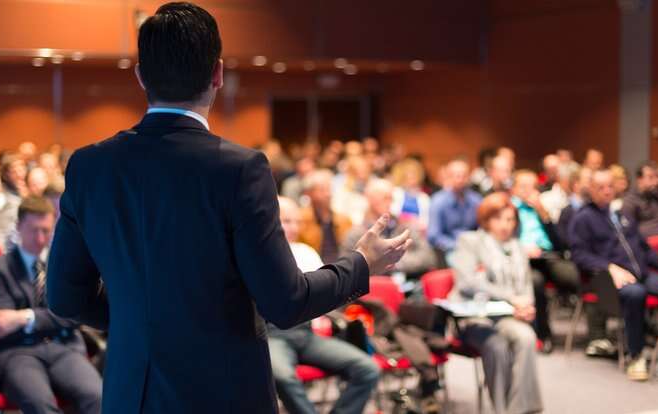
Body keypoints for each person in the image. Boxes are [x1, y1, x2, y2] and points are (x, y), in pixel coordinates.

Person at [46, 4, 411, 413]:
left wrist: (143, 322)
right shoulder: (239, 169)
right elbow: (286, 302)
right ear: (218, 73)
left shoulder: (90, 166)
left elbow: (64, 298)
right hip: (224, 394)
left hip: (132, 395)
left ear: (141, 76)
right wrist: (361, 263)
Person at [0, 197, 102, 414]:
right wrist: (53, 318)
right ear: (19, 226)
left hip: (63, 347)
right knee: (40, 406)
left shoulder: (65, 264)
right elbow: (2, 326)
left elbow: (73, 316)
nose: (40, 239)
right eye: (33, 230)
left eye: (46, 231)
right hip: (19, 352)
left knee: (97, 397)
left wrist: (24, 317)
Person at [270, 197, 380, 414]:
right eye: (286, 220)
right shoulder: (262, 256)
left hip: (306, 333)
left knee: (368, 369)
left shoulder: (305, 251)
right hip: (275, 334)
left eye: (296, 221)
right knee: (283, 377)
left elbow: (329, 293)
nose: (293, 227)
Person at [451, 192, 543, 414]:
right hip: (474, 316)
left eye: (510, 220)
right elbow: (467, 282)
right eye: (499, 219)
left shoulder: (518, 246)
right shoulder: (470, 241)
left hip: (507, 316)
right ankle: (500, 410)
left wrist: (526, 306)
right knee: (498, 347)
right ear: (486, 219)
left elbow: (526, 286)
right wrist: (510, 297)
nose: (505, 225)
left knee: (527, 337)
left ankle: (519, 409)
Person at [568, 169, 658, 381]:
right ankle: (635, 354)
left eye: (610, 186)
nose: (606, 191)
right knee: (635, 294)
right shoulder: (583, 218)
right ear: (590, 190)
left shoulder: (622, 215)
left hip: (641, 273)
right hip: (605, 281)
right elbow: (579, 255)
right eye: (600, 187)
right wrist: (609, 267)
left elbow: (643, 248)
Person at [510, 170, 579, 351]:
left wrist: (544, 214)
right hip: (521, 261)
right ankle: (542, 334)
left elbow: (560, 243)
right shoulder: (509, 209)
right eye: (523, 187)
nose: (528, 191)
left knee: (575, 276)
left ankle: (600, 335)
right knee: (535, 282)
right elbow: (505, 240)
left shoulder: (542, 209)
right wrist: (522, 249)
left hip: (548, 258)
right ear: (514, 189)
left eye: (532, 187)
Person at [344, 179, 437, 279]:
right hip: (372, 289)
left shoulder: (405, 226)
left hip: (410, 284)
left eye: (391, 198)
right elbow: (348, 269)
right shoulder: (356, 233)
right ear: (369, 199)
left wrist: (393, 263)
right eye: (385, 198)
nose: (389, 203)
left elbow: (428, 257)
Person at [428, 159, 483, 265]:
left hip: (474, 246)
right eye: (456, 175)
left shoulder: (476, 200)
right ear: (448, 177)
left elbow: (483, 227)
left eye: (464, 175)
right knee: (464, 263)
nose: (460, 179)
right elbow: (433, 236)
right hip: (450, 249)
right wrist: (458, 245)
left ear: (469, 177)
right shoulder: (438, 201)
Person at [298, 169, 354, 263]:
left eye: (329, 189)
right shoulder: (300, 219)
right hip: (313, 268)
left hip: (340, 267)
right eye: (322, 190)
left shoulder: (344, 220)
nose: (328, 194)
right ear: (309, 193)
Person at [621, 161, 658, 238]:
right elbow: (630, 231)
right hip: (644, 244)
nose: (655, 182)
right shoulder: (630, 201)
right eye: (650, 177)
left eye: (657, 177)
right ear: (639, 180)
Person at [389, 158, 431, 232]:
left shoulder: (424, 197)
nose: (411, 178)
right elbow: (392, 213)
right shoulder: (395, 192)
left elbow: (426, 221)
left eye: (414, 175)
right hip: (396, 230)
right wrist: (407, 218)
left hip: (418, 232)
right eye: (408, 175)